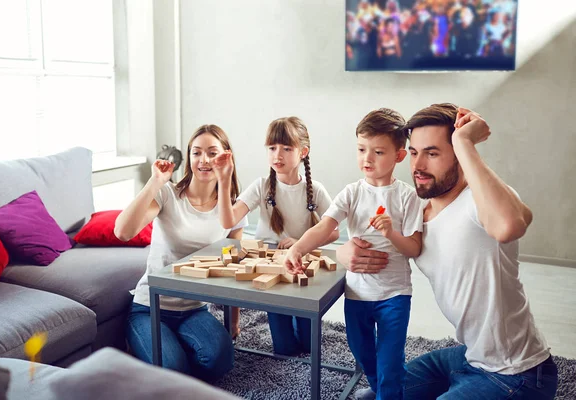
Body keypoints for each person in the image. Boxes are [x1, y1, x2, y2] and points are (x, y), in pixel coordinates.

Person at [337, 103, 559, 399]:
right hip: (468, 358)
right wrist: (343, 252)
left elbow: (511, 224)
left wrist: (465, 142)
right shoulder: (417, 210)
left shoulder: (476, 203)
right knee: (375, 395)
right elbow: (373, 236)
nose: (418, 166)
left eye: (432, 153)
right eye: (414, 153)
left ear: (459, 156)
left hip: (517, 373)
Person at [284, 109, 424, 400]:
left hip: (394, 295)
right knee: (361, 350)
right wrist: (298, 248)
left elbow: (414, 248)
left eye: (378, 152)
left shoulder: (407, 196)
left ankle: (388, 392)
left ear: (399, 156)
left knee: (389, 359)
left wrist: (391, 234)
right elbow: (325, 227)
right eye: (361, 149)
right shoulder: (352, 192)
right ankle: (379, 387)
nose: (367, 159)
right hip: (357, 293)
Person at [114, 124, 247, 381]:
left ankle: (164, 354)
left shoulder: (232, 210)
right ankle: (153, 351)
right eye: (196, 153)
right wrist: (155, 182)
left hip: (195, 309)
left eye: (212, 152)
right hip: (149, 308)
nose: (204, 160)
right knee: (174, 372)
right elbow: (122, 231)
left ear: (227, 156)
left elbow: (233, 270)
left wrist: (232, 323)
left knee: (221, 360)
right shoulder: (168, 195)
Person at [212, 116, 337, 356]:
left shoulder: (315, 189)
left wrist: (301, 244)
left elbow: (332, 232)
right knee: (285, 349)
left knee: (310, 346)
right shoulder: (261, 186)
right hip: (269, 267)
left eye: (286, 148)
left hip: (301, 266)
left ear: (303, 152)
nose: (277, 155)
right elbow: (228, 221)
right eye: (272, 148)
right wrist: (224, 180)